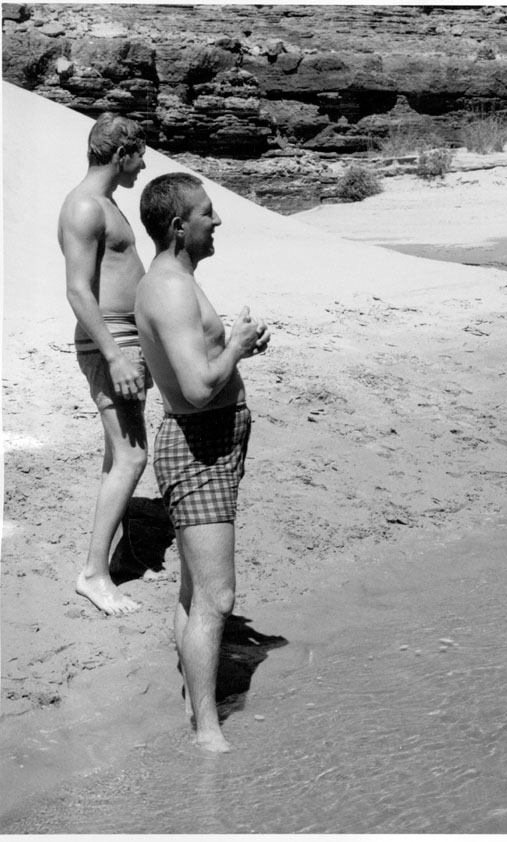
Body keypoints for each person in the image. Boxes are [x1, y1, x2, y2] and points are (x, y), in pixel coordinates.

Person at [135, 172, 270, 752]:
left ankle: (197, 701)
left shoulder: (179, 278)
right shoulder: (168, 288)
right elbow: (193, 388)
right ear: (177, 226)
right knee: (218, 599)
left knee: (195, 592)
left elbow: (196, 358)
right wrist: (234, 346)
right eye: (207, 214)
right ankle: (207, 731)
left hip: (211, 442)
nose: (217, 222)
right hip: (198, 446)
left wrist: (235, 346)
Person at [58, 112, 149, 616]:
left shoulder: (105, 203)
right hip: (109, 343)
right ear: (121, 154)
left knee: (119, 454)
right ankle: (94, 573)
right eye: (140, 154)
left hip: (123, 340)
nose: (144, 164)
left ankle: (114, 545)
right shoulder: (84, 207)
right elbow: (77, 289)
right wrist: (115, 355)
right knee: (134, 457)